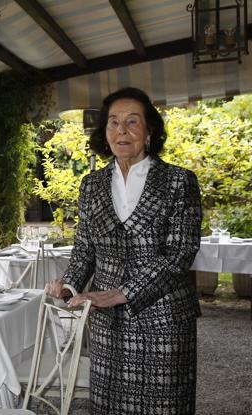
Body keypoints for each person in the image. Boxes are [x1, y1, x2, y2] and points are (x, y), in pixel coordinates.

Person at [46, 87, 202, 414]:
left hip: (164, 320)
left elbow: (179, 253)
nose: (122, 130)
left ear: (150, 132)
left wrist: (122, 292)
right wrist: (69, 285)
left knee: (164, 405)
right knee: (108, 405)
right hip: (108, 323)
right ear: (105, 134)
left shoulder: (178, 181)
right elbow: (85, 249)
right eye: (114, 123)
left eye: (133, 121)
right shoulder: (91, 185)